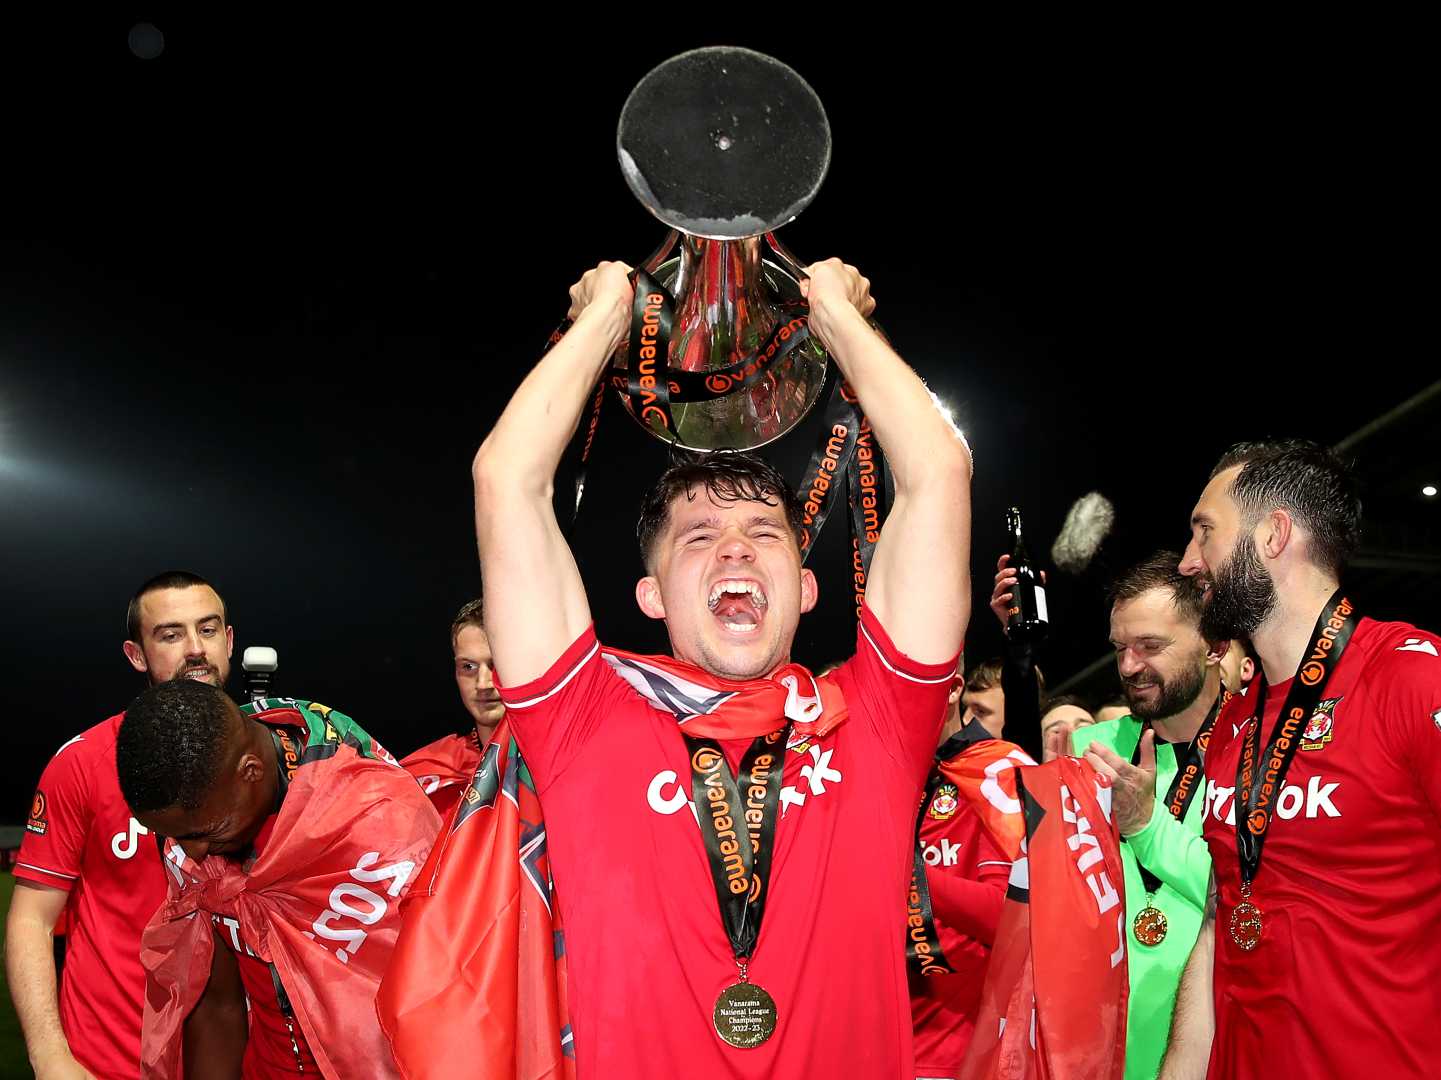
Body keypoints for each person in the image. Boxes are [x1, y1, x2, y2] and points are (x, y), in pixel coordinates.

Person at [471, 258, 971, 1076]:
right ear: (652, 594)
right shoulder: (583, 717)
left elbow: (937, 473)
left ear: (806, 589)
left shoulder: (875, 716)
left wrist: (836, 317)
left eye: (765, 533)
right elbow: (507, 480)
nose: (734, 546)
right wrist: (606, 316)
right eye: (697, 539)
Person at [1161, 439, 1441, 1079]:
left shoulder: (1411, 679)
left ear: (1273, 535)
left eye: (1205, 532)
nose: (1186, 562)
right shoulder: (1235, 717)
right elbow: (1218, 921)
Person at [116, 680, 441, 1077]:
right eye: (175, 837)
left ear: (250, 772)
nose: (192, 852)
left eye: (202, 832)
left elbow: (435, 1003)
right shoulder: (199, 805)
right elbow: (218, 1003)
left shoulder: (375, 818)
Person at [6, 571, 232, 1080]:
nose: (195, 648)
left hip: (240, 1060)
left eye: (209, 629)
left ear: (229, 640)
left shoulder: (273, 761)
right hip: (110, 1061)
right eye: (170, 634)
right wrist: (50, 1058)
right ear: (136, 655)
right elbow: (32, 920)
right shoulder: (85, 761)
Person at [1066, 552, 1224, 1080]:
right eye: (1120, 648)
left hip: (1209, 1050)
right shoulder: (1090, 753)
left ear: (1212, 644)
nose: (1129, 666)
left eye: (1151, 646)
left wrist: (1145, 826)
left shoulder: (1259, 752)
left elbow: (1263, 898)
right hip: (1094, 1054)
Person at [909, 706, 1032, 1079]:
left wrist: (905, 875)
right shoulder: (885, 776)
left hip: (958, 1053)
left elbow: (1014, 917)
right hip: (874, 1039)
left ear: (955, 688)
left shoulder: (998, 771)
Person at [401, 597, 504, 816]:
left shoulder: (564, 761)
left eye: (496, 664)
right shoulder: (423, 773)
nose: (483, 683)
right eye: (468, 666)